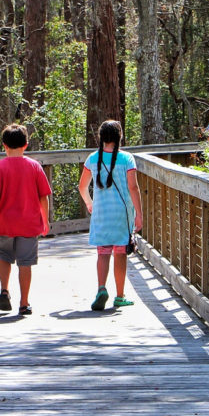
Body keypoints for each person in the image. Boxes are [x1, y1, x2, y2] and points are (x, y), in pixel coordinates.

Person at [0, 124, 51, 316]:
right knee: (25, 262)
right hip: (29, 224)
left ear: (4, 145)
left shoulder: (0, 167)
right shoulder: (34, 166)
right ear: (26, 145)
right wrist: (45, 221)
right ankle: (24, 303)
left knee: (4, 257)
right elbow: (44, 196)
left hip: (6, 222)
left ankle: (4, 290)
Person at [78, 119, 143, 311]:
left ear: (101, 137)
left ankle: (101, 289)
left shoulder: (92, 159)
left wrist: (90, 204)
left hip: (101, 213)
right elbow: (133, 187)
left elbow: (82, 186)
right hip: (121, 215)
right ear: (119, 136)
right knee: (120, 253)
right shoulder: (127, 159)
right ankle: (120, 296)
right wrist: (139, 213)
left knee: (103, 253)